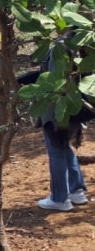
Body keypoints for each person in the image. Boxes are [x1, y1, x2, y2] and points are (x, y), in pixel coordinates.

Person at [22, 32, 90, 211]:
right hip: (77, 106)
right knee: (64, 146)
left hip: (57, 108)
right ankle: (76, 191)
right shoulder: (85, 43)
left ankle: (60, 199)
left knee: (56, 150)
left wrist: (29, 85)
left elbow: (55, 81)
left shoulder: (60, 47)